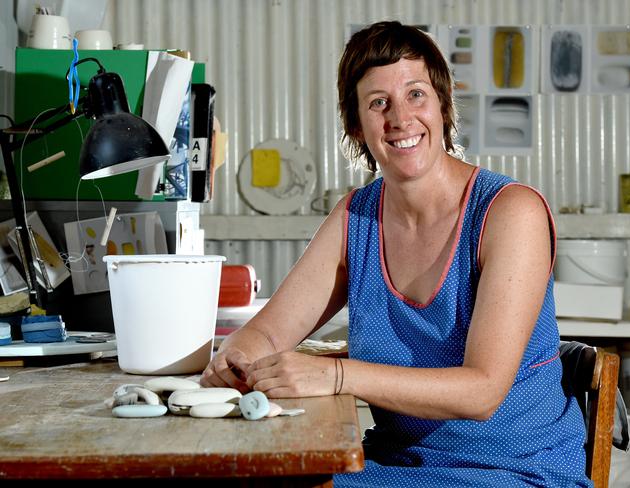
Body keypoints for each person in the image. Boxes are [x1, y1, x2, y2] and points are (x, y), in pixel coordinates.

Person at [201, 20, 592, 487]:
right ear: (355, 124)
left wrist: (337, 376)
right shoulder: (355, 219)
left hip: (513, 472)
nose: (401, 118)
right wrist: (235, 360)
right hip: (395, 465)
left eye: (416, 95)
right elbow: (266, 334)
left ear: (444, 105)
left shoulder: (509, 213)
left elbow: (483, 391)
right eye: (378, 102)